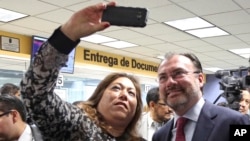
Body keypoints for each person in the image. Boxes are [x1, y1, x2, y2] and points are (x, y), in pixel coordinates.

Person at [20, 2, 145, 141]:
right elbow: (35, 94)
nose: (124, 95)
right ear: (99, 96)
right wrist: (68, 33)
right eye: (116, 88)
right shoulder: (77, 124)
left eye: (131, 93)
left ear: (137, 108)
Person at [152, 52, 250, 141]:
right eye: (163, 77)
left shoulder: (235, 122)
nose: (170, 82)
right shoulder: (159, 136)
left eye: (179, 73)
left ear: (200, 79)